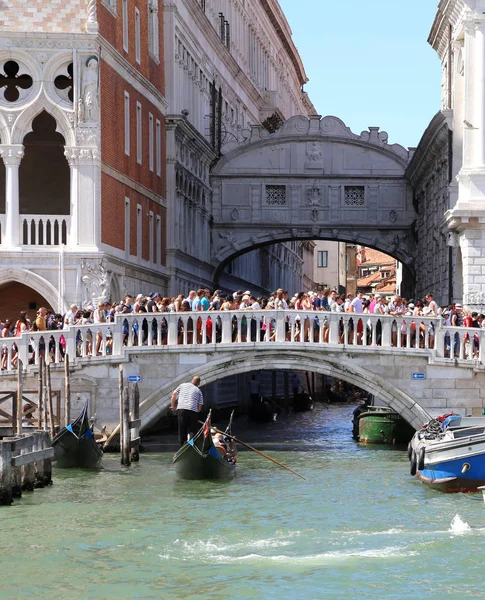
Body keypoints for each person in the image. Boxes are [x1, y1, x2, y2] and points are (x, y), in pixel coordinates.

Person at [170, 375, 204, 446]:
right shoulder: (198, 391)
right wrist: (196, 413)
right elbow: (200, 405)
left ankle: (183, 446)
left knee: (182, 430)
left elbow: (174, 394)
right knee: (192, 430)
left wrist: (173, 406)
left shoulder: (182, 385)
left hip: (181, 410)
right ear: (198, 383)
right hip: (192, 411)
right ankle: (191, 445)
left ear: (192, 380)